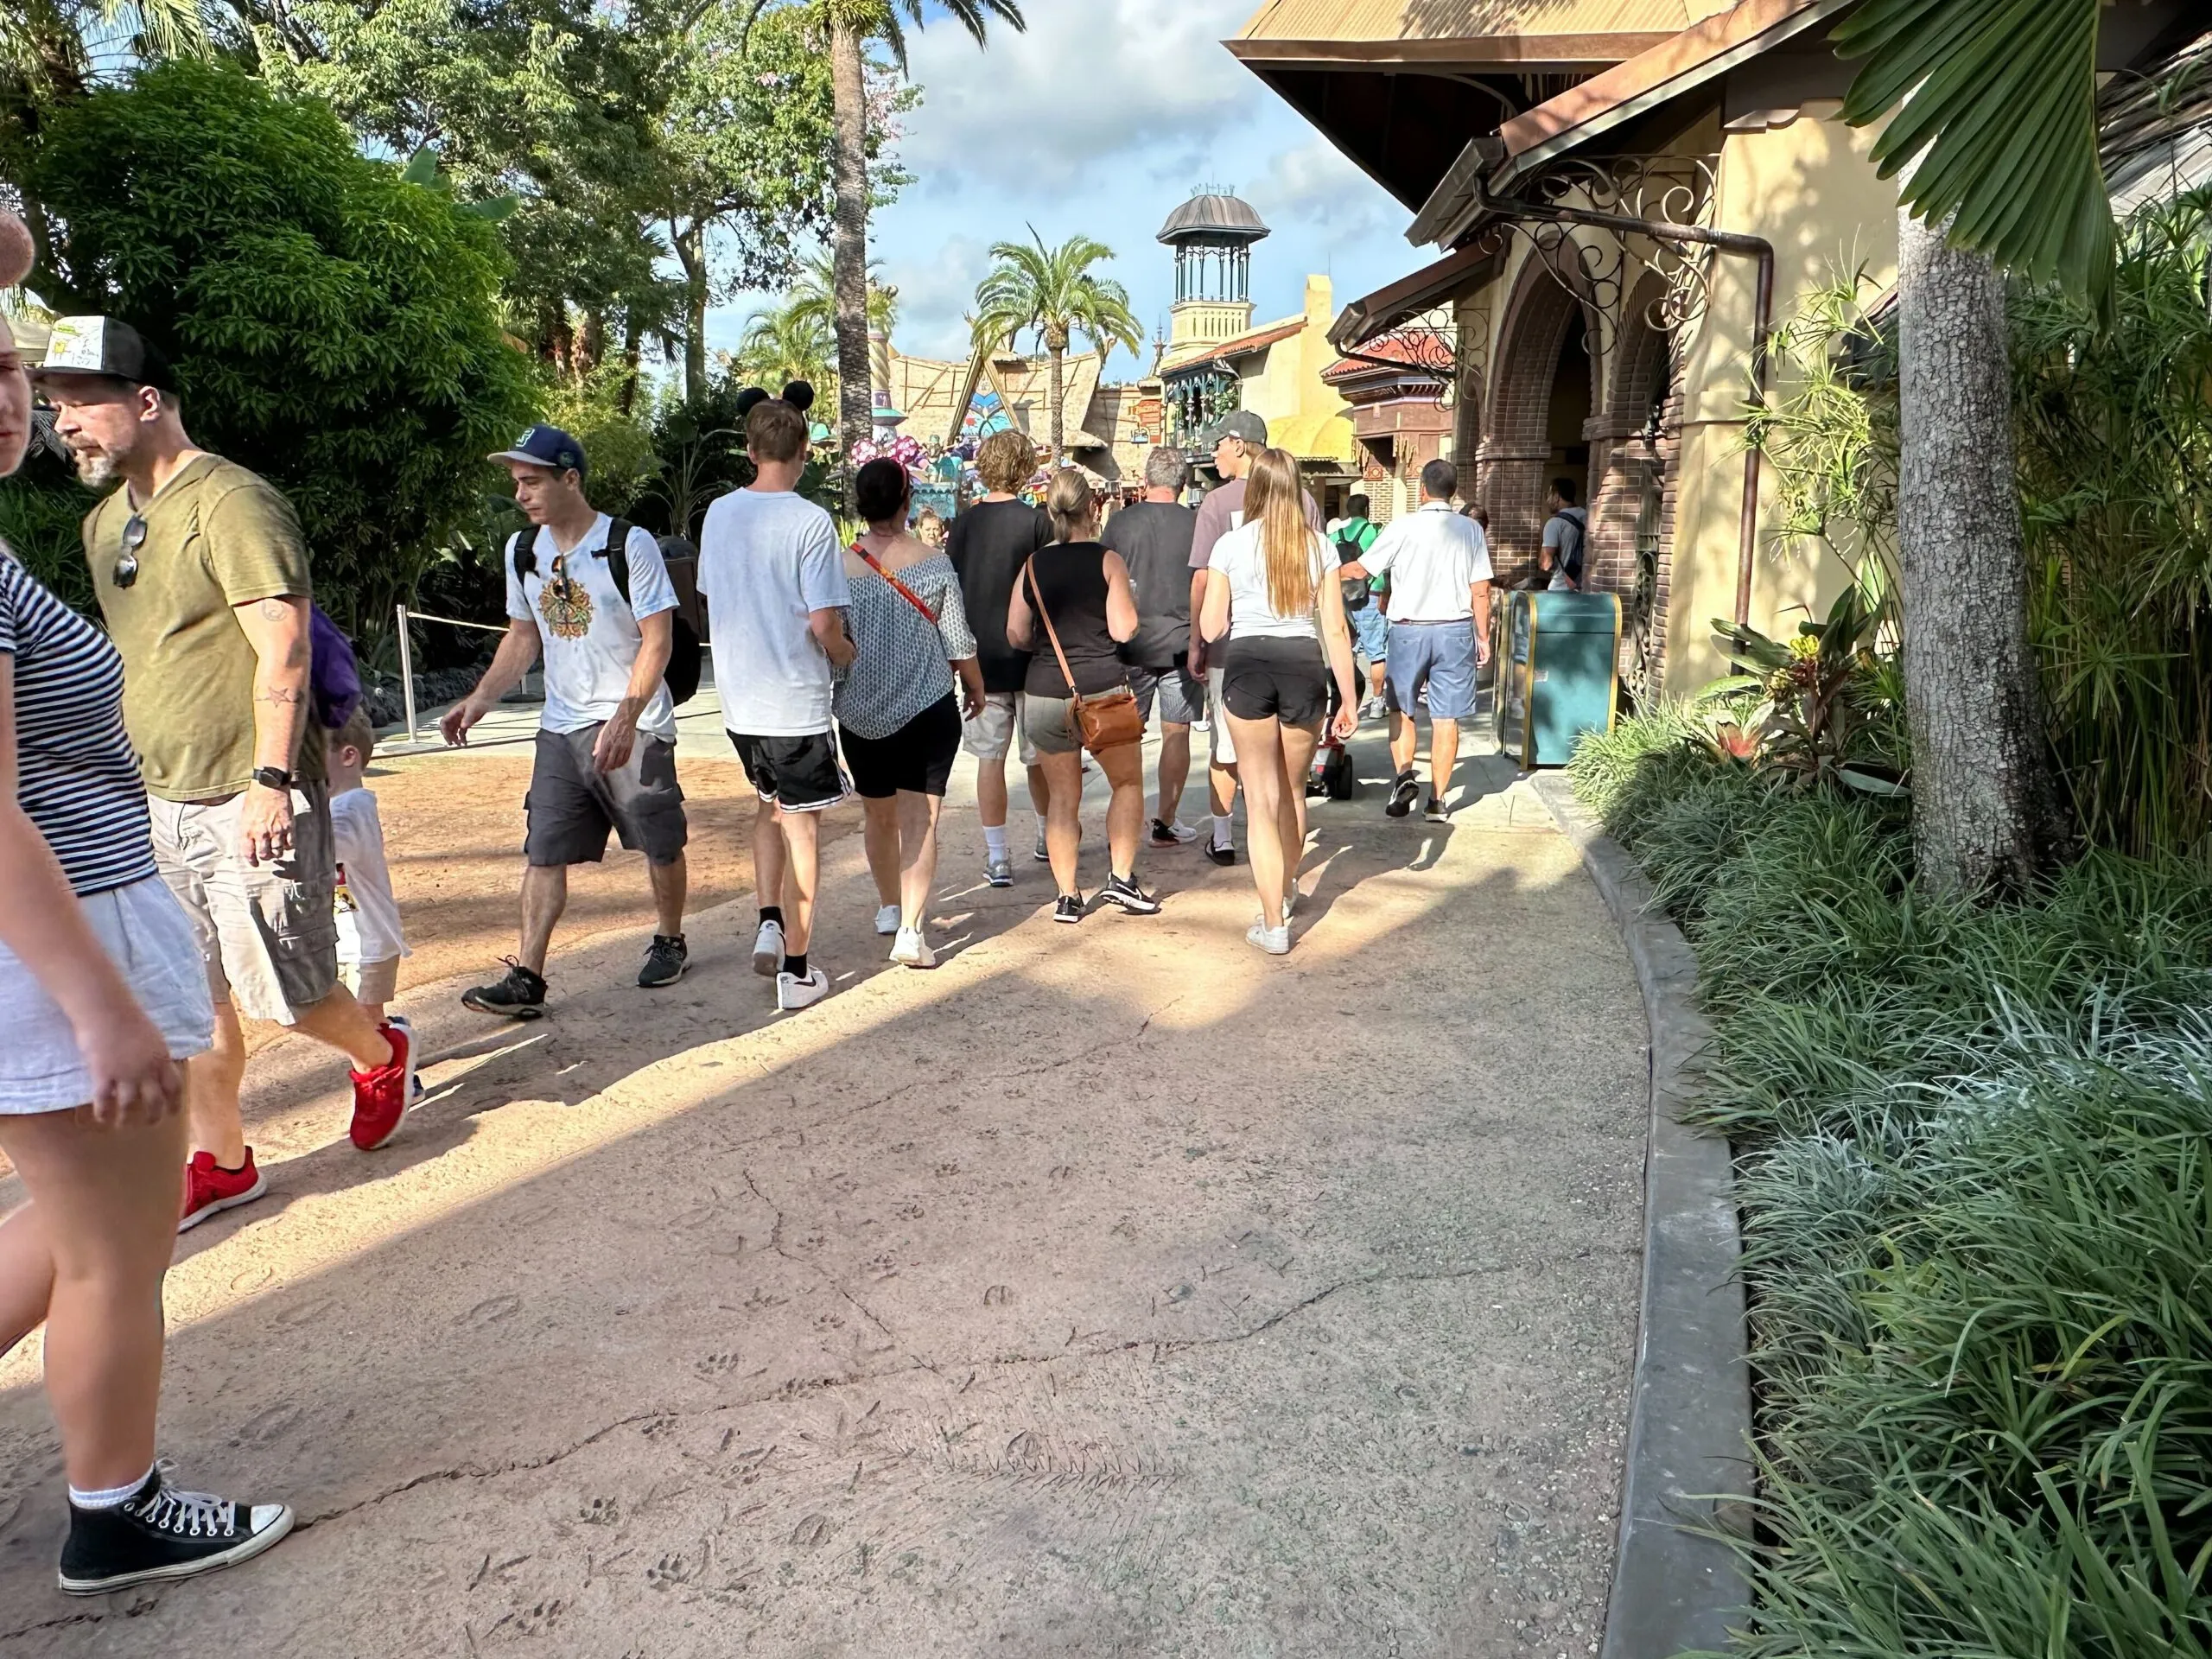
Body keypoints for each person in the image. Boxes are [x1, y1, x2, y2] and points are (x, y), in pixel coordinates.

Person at [0, 274, 293, 1593]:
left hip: (68, 923)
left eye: (21, 378)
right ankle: (114, 1508)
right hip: (66, 935)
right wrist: (103, 1002)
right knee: (117, 1254)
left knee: (69, 1228)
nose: (24, 406)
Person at [39, 317, 415, 1231]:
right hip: (151, 802)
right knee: (192, 993)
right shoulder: (103, 524)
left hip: (247, 791)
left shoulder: (232, 503)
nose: (65, 424)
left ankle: (378, 1052)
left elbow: (281, 650)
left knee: (281, 993)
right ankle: (226, 1159)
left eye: (83, 402)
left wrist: (271, 782)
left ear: (147, 400)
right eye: (54, 407)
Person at [442, 425, 690, 1017]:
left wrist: (626, 719)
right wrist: (481, 699)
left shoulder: (628, 546)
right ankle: (528, 975)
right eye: (516, 483)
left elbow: (658, 640)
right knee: (544, 850)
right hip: (561, 727)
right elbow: (523, 636)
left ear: (570, 478)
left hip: (635, 724)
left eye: (532, 482)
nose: (521, 495)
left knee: (659, 841)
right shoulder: (522, 552)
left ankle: (670, 937)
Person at [699, 388, 855, 1013]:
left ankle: (769, 916)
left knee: (767, 808)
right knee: (804, 831)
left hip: (740, 700)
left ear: (749, 450)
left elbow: (710, 592)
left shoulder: (718, 513)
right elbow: (823, 622)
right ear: (805, 451)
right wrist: (845, 655)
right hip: (793, 698)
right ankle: (797, 966)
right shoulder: (810, 522)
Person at [1198, 448, 1359, 956]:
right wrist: (1350, 696)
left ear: (1257, 490)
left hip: (1247, 666)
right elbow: (1334, 627)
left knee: (1260, 798)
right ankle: (1288, 889)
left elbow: (1210, 627)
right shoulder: (1320, 547)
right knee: (1293, 791)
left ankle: (1272, 924)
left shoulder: (1229, 544)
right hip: (1304, 667)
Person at [837, 458, 986, 970]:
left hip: (859, 713)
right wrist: (977, 687)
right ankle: (910, 930)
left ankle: (888, 905)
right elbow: (958, 639)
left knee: (876, 814)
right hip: (926, 708)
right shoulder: (933, 562)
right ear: (906, 502)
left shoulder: (840, 568)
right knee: (919, 820)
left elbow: (831, 641)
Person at [1006, 469, 1160, 924]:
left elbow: (1015, 632)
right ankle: (1121, 877)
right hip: (1102, 689)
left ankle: (1068, 896)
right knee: (1127, 783)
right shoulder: (1107, 561)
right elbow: (1123, 628)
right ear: (1092, 509)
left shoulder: (1032, 566)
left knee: (1062, 798)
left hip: (1044, 692)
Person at [1185, 410, 1323, 868]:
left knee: (1226, 750)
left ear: (1241, 444)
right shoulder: (1305, 501)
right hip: (1299, 646)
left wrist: (1197, 643)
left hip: (1236, 650)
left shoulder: (1216, 503)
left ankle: (1224, 837)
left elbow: (1203, 581)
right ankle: (1286, 868)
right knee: (1288, 774)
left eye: (1220, 444)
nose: (1215, 453)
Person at [1342, 458, 1495, 823]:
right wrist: (1483, 636)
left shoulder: (1402, 527)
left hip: (1408, 630)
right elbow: (1481, 590)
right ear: (1453, 492)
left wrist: (1320, 570)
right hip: (1455, 630)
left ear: (1422, 489)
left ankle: (1403, 776)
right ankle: (1438, 802)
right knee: (1446, 717)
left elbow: (1362, 570)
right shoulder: (1470, 530)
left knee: (1402, 709)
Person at [946, 429, 1052, 886]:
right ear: (1026, 468)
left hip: (978, 660)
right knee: (1039, 758)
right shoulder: (1036, 522)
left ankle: (997, 856)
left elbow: (950, 585)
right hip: (1031, 658)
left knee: (990, 760)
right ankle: (1048, 837)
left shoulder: (965, 523)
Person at [1101, 445, 1204, 848]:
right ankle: (1165, 820)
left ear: (1145, 481)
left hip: (1130, 643)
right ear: (1182, 484)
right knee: (1176, 733)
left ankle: (1123, 820)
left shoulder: (1120, 524)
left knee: (1126, 736)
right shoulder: (1198, 525)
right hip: (1183, 644)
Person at [327, 710, 410, 1027]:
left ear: (348, 756)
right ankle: (392, 1040)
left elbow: (330, 848)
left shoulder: (352, 806)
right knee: (355, 1018)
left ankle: (397, 1065)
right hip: (349, 940)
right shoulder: (339, 805)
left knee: (363, 1021)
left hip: (370, 943)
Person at [1332, 493, 1388, 719]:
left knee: (1346, 650)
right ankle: (1376, 703)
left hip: (1342, 596)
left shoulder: (1334, 535)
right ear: (1367, 510)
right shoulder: (1375, 532)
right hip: (1370, 595)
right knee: (1376, 652)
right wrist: (1385, 595)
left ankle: (1347, 702)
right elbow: (1383, 569)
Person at [1541, 477, 1588, 592]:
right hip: (1585, 588)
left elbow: (1546, 564)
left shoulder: (1555, 523)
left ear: (1557, 496)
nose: (1548, 501)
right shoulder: (1588, 516)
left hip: (1561, 588)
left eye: (1549, 495)